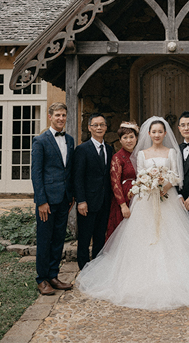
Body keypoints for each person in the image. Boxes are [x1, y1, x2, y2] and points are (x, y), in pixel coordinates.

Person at [75, 116, 189, 310]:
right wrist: (149, 184)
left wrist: (165, 184)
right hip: (146, 200)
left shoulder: (171, 152)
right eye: (154, 132)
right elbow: (140, 174)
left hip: (167, 198)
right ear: (149, 134)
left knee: (173, 238)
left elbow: (177, 176)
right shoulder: (141, 154)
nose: (157, 134)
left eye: (160, 131)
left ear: (165, 133)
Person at [30, 102, 76, 295]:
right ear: (50, 116)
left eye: (63, 115)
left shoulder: (71, 140)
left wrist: (72, 194)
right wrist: (41, 201)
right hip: (47, 201)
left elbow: (70, 170)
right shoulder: (40, 141)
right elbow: (36, 173)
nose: (61, 118)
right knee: (45, 239)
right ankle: (42, 279)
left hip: (64, 199)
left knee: (58, 239)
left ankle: (53, 275)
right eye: (57, 115)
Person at [73, 113, 114, 270]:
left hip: (104, 201)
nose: (99, 128)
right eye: (95, 125)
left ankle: (97, 268)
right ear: (89, 128)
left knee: (99, 237)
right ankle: (83, 269)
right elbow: (77, 177)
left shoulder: (109, 149)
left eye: (102, 125)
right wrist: (81, 200)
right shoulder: (82, 149)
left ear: (105, 127)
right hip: (87, 202)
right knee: (84, 238)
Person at [106, 121, 138, 239]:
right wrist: (123, 205)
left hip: (140, 198)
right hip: (125, 198)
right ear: (120, 140)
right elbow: (115, 183)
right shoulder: (117, 158)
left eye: (131, 137)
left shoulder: (140, 155)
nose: (129, 140)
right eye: (125, 138)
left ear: (136, 138)